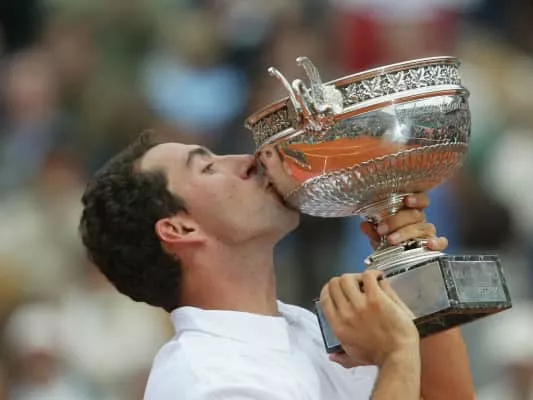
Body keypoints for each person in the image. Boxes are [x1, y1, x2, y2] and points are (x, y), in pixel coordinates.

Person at [79, 131, 475, 399]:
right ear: (180, 229)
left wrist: (408, 258)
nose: (246, 160)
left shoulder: (302, 329)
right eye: (208, 167)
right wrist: (396, 355)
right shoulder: (207, 381)